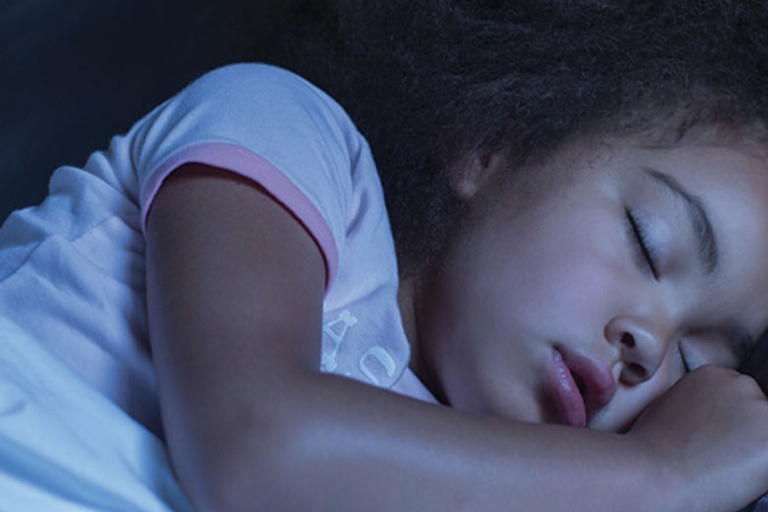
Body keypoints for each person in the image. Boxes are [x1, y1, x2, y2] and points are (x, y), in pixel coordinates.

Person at [2, 1, 768, 511]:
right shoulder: (286, 126)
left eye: (693, 368)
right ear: (494, 140)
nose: (650, 346)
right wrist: (662, 473)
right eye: (648, 240)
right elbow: (253, 446)